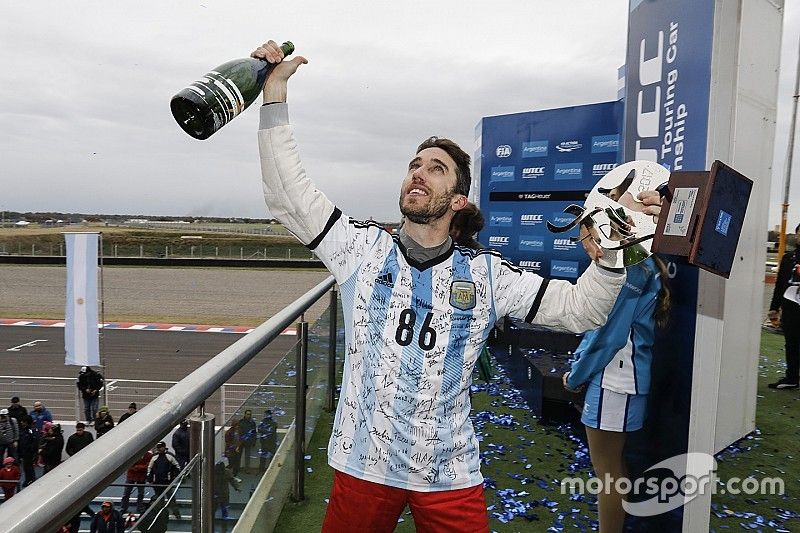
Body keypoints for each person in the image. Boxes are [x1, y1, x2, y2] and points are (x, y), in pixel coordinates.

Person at [249, 40, 660, 532]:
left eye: (435, 168)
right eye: (414, 165)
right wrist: (274, 97)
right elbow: (289, 196)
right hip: (365, 463)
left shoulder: (488, 274)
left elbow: (578, 310)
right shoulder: (360, 249)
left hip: (447, 472)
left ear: (459, 199)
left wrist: (615, 253)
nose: (419, 173)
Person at [563, 239, 671, 533]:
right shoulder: (638, 265)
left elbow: (609, 336)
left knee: (607, 472)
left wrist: (576, 375)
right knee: (613, 468)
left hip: (616, 381)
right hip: (619, 380)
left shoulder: (634, 269)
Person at [768, 222, 800, 389]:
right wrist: (774, 308)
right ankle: (792, 378)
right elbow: (780, 285)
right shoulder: (788, 259)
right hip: (791, 308)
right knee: (792, 343)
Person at [146, 442, 181, 519]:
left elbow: (177, 466)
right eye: (158, 447)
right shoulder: (154, 457)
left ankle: (176, 513)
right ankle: (161, 514)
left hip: (167, 482)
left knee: (171, 498)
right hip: (157, 482)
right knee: (159, 499)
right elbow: (150, 469)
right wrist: (150, 479)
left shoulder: (169, 456)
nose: (159, 449)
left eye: (160, 447)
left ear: (164, 447)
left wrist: (174, 477)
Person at [121, 449, 153, 514]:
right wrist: (141, 467)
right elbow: (129, 465)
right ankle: (123, 508)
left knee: (140, 493)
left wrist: (137, 467)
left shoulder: (149, 455)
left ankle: (139, 507)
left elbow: (148, 466)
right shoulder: (132, 454)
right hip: (131, 476)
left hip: (141, 476)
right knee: (126, 493)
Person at [17, 415, 38, 486]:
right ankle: (28, 479)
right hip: (24, 452)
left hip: (29, 452)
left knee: (29, 467)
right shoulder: (23, 429)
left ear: (26, 422)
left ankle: (31, 480)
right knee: (26, 467)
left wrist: (31, 451)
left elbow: (34, 441)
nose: (21, 423)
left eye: (23, 421)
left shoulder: (31, 430)